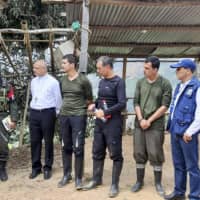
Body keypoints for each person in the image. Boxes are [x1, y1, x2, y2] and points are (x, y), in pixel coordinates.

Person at [83, 56, 126, 198]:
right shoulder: (102, 82)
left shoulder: (118, 82)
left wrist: (106, 111)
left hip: (113, 123)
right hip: (100, 122)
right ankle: (96, 179)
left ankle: (114, 185)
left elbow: (121, 104)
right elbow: (101, 99)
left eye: (99, 68)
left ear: (108, 67)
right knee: (97, 151)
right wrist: (94, 104)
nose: (98, 70)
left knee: (115, 154)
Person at [131, 56, 172, 196]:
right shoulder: (140, 82)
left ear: (155, 69)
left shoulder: (165, 84)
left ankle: (158, 183)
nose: (144, 70)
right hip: (140, 124)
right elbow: (136, 102)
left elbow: (165, 106)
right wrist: (141, 119)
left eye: (147, 68)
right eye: (144, 67)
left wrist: (149, 121)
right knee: (139, 152)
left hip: (155, 125)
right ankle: (139, 181)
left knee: (156, 153)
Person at [164, 59, 200, 200]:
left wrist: (190, 132)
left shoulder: (197, 87)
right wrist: (170, 127)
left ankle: (195, 196)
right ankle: (179, 193)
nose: (176, 71)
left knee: (192, 167)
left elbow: (199, 114)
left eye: (179, 68)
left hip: (186, 134)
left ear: (188, 71)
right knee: (178, 164)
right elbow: (174, 108)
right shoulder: (179, 86)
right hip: (175, 131)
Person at [57, 54, 93, 190]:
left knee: (78, 147)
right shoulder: (62, 80)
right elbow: (62, 96)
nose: (62, 65)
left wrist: (82, 108)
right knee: (65, 145)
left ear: (72, 64)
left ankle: (78, 177)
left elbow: (89, 98)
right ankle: (67, 175)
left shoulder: (83, 80)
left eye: (64, 63)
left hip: (78, 116)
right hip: (64, 116)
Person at [29, 60, 62, 180]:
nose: (34, 70)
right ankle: (36, 167)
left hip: (47, 113)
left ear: (44, 69)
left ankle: (47, 167)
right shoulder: (33, 81)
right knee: (34, 141)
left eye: (36, 68)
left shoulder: (53, 82)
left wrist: (55, 113)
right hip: (34, 113)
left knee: (48, 141)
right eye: (34, 68)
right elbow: (34, 96)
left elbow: (58, 99)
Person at [0, 80, 18, 181]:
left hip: (3, 118)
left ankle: (2, 169)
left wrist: (14, 119)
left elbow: (13, 103)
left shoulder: (7, 86)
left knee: (3, 144)